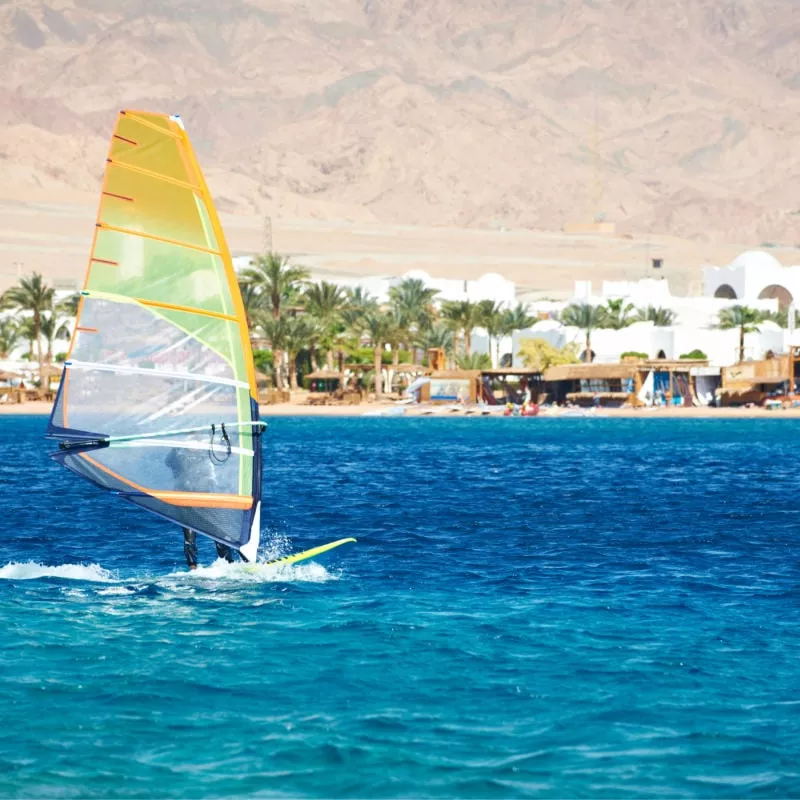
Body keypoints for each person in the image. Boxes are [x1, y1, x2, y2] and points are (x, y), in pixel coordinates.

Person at [166, 444, 237, 570]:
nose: (194, 444)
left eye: (197, 440)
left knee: (219, 533)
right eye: (191, 440)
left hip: (207, 498)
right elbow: (169, 462)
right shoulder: (178, 454)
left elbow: (224, 457)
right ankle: (193, 568)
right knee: (189, 537)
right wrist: (176, 446)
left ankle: (228, 565)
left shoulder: (207, 451)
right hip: (186, 500)